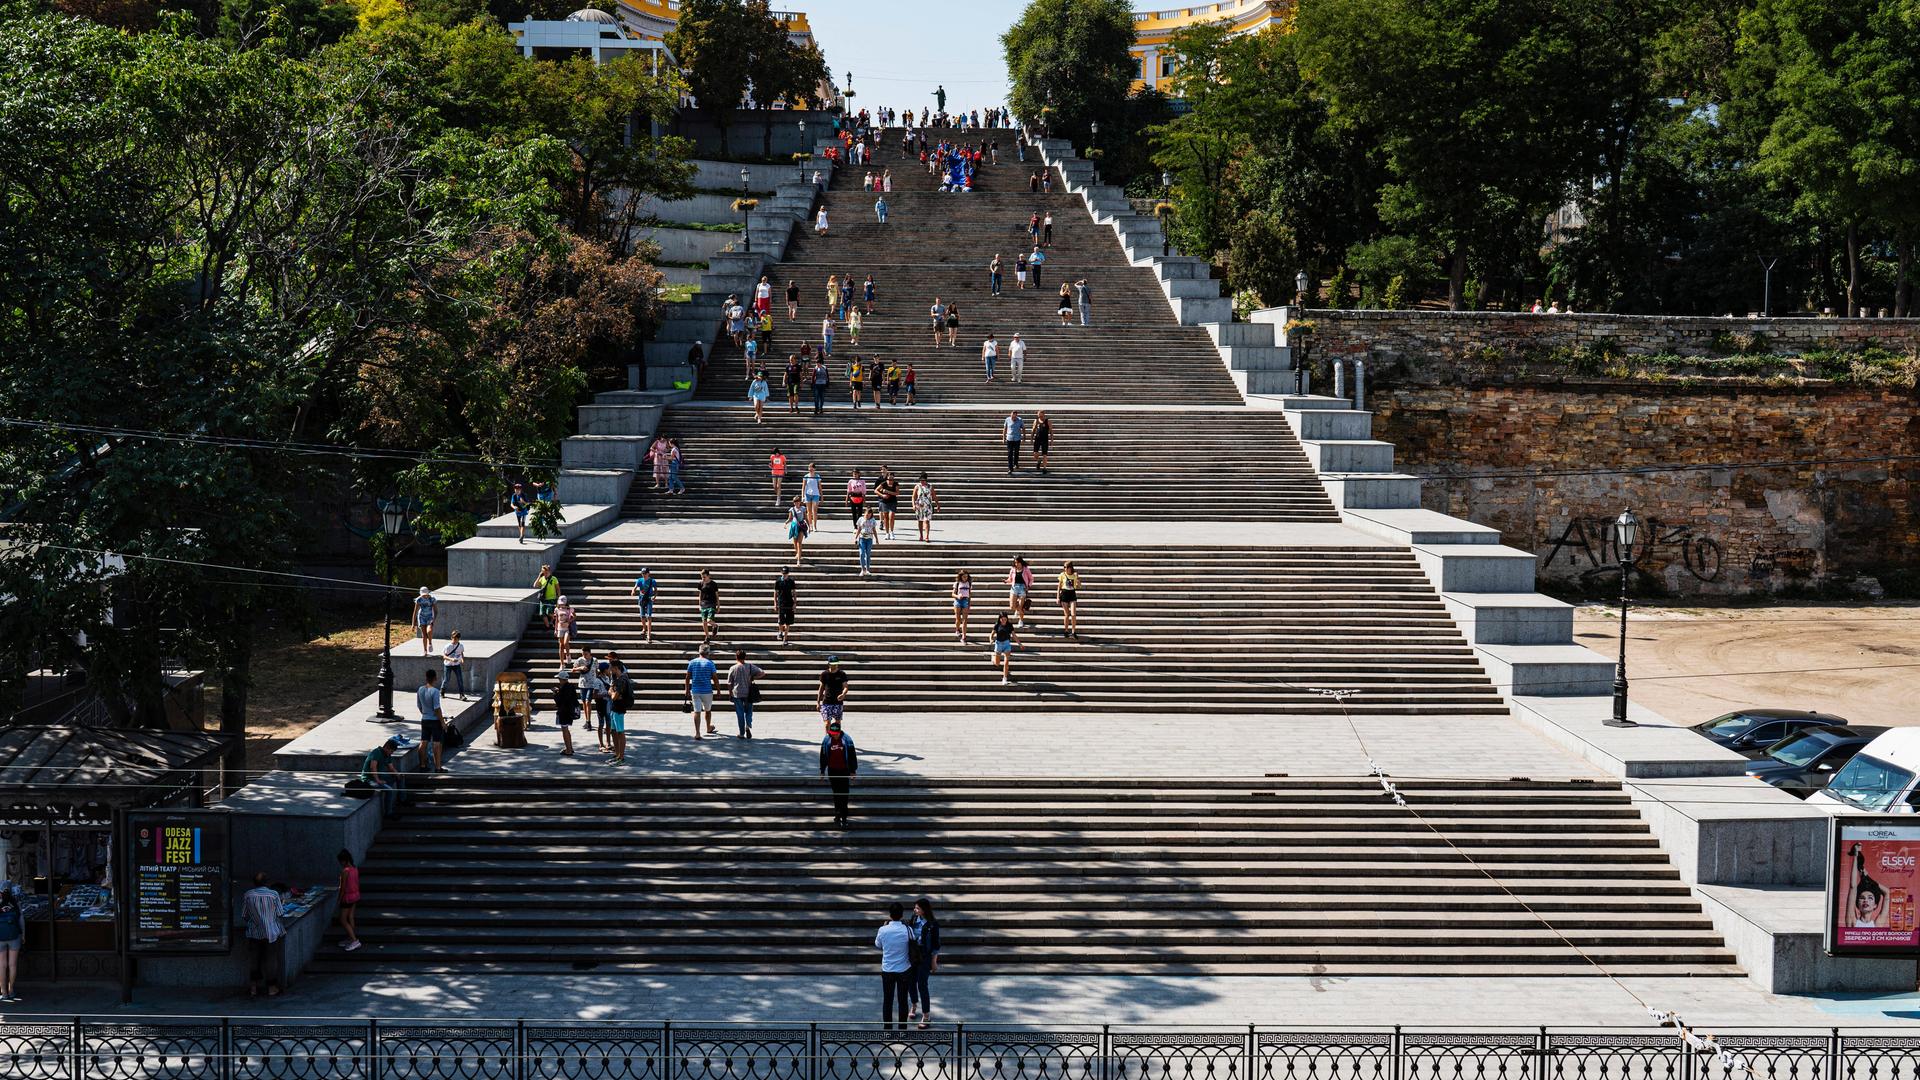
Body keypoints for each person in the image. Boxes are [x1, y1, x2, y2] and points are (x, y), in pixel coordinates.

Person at [241, 872, 285, 998]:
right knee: (271, 959)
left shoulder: (248, 895)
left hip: (254, 932)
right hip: (271, 933)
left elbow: (244, 915)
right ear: (267, 882)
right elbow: (280, 913)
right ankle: (272, 988)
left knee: (254, 959)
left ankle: (253, 988)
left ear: (254, 882)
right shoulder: (273, 894)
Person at [875, 902, 912, 1027]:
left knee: (888, 1000)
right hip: (904, 969)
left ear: (890, 914)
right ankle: (902, 1029)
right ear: (902, 915)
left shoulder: (883, 930)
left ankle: (888, 1030)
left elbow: (878, 945)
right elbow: (913, 943)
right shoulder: (907, 929)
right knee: (903, 1001)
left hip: (888, 969)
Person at [906, 897, 941, 1028]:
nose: (915, 910)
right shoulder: (914, 919)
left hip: (925, 956)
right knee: (911, 981)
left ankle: (926, 1015)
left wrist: (934, 962)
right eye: (915, 908)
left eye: (917, 908)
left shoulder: (932, 924)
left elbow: (936, 945)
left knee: (922, 984)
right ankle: (914, 1004)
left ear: (924, 910)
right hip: (913, 954)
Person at [822, 717, 858, 826]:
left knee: (844, 794)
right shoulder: (827, 739)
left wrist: (852, 771)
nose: (834, 735)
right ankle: (837, 815)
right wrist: (822, 770)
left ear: (839, 732)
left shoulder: (847, 740)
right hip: (832, 771)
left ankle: (844, 816)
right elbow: (823, 755)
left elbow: (852, 756)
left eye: (835, 734)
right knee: (836, 794)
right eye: (832, 733)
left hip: (844, 771)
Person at [359, 736, 403, 815]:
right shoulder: (376, 753)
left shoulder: (387, 755)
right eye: (391, 751)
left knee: (400, 777)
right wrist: (378, 781)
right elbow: (373, 767)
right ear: (387, 748)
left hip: (380, 776)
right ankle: (388, 813)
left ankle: (402, 800)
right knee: (389, 790)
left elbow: (391, 768)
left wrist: (398, 775)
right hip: (369, 779)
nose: (391, 753)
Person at [727, 648, 765, 739]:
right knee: (749, 711)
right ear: (745, 657)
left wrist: (730, 693)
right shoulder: (750, 666)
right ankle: (748, 725)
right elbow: (762, 673)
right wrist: (753, 677)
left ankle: (741, 733)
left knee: (739, 713)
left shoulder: (733, 668)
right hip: (748, 693)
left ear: (736, 657)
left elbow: (729, 683)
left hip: (737, 693)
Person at [685, 643, 718, 740]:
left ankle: (697, 733)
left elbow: (687, 677)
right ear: (708, 653)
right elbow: (715, 678)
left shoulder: (692, 662)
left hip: (695, 690)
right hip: (707, 691)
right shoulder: (710, 663)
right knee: (707, 710)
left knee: (697, 711)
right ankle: (708, 727)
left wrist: (687, 689)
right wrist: (718, 690)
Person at [416, 669, 446, 774]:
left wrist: (425, 713)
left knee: (423, 742)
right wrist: (442, 722)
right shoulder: (435, 691)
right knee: (436, 743)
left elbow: (419, 706)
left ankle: (422, 766)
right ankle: (438, 767)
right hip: (434, 721)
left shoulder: (420, 689)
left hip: (424, 719)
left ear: (426, 677)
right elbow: (437, 708)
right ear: (435, 678)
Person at [605, 656, 632, 764]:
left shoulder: (622, 680)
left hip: (619, 709)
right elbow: (610, 691)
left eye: (611, 668)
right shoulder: (616, 679)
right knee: (613, 731)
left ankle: (621, 757)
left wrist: (612, 692)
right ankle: (617, 754)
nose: (610, 670)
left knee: (620, 732)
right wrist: (611, 692)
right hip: (614, 708)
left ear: (616, 668)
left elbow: (613, 696)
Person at [336, 850, 362, 952]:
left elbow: (342, 888)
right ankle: (351, 938)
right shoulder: (354, 869)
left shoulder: (345, 871)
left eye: (340, 861)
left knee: (342, 919)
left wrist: (339, 900)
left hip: (347, 898)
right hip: (355, 895)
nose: (340, 863)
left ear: (344, 860)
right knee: (350, 916)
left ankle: (354, 940)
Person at [0, 878, 21, 1002]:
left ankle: (4, 993)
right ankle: (11, 990)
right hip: (14, 935)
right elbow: (21, 919)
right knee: (12, 964)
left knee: (2, 965)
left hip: (0, 937)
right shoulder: (15, 901)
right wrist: (23, 935)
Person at [817, 655, 849, 731]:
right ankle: (828, 738)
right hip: (827, 702)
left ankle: (836, 738)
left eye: (836, 664)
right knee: (827, 723)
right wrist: (818, 702)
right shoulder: (824, 674)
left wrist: (843, 694)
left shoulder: (842, 674)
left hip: (838, 702)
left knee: (837, 723)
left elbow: (846, 687)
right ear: (829, 664)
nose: (834, 665)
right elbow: (821, 688)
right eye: (832, 664)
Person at [553, 669, 578, 756]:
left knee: (565, 730)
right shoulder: (571, 687)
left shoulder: (563, 689)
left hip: (564, 712)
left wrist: (556, 693)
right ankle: (569, 747)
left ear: (563, 679)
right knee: (566, 729)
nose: (559, 681)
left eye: (559, 679)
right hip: (569, 711)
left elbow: (559, 701)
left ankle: (569, 750)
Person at [912, 472, 941, 543]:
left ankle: (927, 536)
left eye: (923, 480)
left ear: (926, 480)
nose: (921, 481)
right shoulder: (917, 486)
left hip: (927, 506)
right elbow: (913, 496)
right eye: (921, 480)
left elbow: (934, 496)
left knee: (926, 521)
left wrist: (938, 505)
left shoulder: (930, 486)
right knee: (920, 521)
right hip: (919, 506)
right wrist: (913, 505)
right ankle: (921, 535)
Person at [631, 567, 657, 644]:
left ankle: (649, 635)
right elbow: (635, 587)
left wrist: (654, 597)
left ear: (648, 573)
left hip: (649, 599)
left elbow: (655, 590)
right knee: (642, 616)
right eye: (642, 573)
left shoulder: (652, 581)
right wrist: (633, 591)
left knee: (649, 617)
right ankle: (644, 628)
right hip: (642, 599)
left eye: (645, 573)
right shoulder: (639, 580)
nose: (643, 575)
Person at [1008, 556, 1035, 628]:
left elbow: (1031, 579)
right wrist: (1006, 581)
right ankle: (1017, 610)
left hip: (1023, 588)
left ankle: (1021, 621)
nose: (1016, 564)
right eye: (1015, 562)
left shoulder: (1026, 569)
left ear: (1021, 562)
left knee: (1020, 607)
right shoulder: (1013, 569)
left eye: (1017, 562)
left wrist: (1028, 586)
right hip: (1014, 588)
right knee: (1012, 607)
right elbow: (1010, 579)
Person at [1057, 560, 1081, 637]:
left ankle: (1073, 631)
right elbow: (1058, 587)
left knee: (1073, 614)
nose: (1065, 569)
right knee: (1067, 615)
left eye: (1066, 567)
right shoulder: (1062, 575)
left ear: (1070, 568)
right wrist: (1057, 597)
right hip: (1064, 594)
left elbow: (1079, 586)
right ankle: (1066, 630)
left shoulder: (1075, 575)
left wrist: (1078, 581)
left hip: (1072, 594)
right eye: (1064, 567)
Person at [991, 612, 1016, 685]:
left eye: (1005, 619)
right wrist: (990, 639)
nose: (1004, 621)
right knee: (997, 663)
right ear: (1000, 619)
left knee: (1006, 662)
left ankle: (1004, 678)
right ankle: (993, 657)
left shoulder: (1009, 625)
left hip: (1006, 644)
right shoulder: (997, 624)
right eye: (1002, 619)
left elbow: (1014, 635)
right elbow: (991, 634)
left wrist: (1020, 644)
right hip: (998, 644)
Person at [774, 566, 798, 641]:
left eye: (786, 573)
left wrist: (794, 603)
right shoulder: (778, 581)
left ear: (788, 573)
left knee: (788, 622)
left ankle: (785, 638)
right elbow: (775, 593)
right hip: (781, 603)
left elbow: (794, 593)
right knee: (781, 621)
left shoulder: (791, 581)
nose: (785, 575)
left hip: (789, 603)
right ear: (781, 573)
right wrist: (775, 603)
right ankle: (780, 631)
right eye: (784, 573)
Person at [441, 631, 467, 700]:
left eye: (456, 639)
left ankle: (462, 695)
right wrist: (451, 659)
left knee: (460, 679)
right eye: (453, 638)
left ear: (459, 639)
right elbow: (444, 656)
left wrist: (462, 660)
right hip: (448, 665)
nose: (455, 640)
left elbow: (461, 653)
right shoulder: (447, 646)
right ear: (451, 638)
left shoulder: (460, 646)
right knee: (446, 679)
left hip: (457, 665)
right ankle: (442, 691)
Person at [876, 467, 900, 539]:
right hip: (884, 502)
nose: (890, 481)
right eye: (889, 479)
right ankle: (887, 533)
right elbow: (876, 490)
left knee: (891, 516)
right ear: (887, 479)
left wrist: (888, 492)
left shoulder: (896, 484)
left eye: (892, 479)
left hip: (892, 501)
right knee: (886, 517)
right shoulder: (883, 483)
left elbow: (897, 493)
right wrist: (882, 495)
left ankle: (892, 532)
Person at [856, 507, 879, 576]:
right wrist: (856, 537)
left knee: (868, 554)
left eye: (869, 514)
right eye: (867, 513)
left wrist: (877, 539)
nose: (868, 515)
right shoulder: (861, 519)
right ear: (865, 513)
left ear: (871, 514)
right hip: (862, 538)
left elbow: (874, 530)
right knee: (861, 553)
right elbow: (859, 529)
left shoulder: (873, 520)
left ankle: (868, 570)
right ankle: (863, 570)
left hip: (869, 539)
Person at [411, 587, 436, 655]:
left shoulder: (432, 599)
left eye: (426, 594)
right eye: (423, 594)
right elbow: (415, 612)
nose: (425, 596)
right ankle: (425, 651)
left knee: (429, 630)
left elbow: (436, 610)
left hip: (429, 616)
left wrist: (434, 619)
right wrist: (413, 623)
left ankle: (430, 643)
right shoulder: (419, 599)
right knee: (424, 635)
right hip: (421, 617)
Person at [697, 568, 720, 641]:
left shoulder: (713, 584)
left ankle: (715, 626)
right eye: (702, 577)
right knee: (704, 622)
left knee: (709, 620)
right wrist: (699, 604)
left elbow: (717, 595)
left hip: (712, 604)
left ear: (708, 576)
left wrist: (718, 605)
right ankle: (707, 637)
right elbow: (700, 594)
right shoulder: (701, 583)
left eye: (704, 577)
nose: (703, 578)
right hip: (703, 604)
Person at [553, 594, 576, 660]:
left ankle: (568, 655)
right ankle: (562, 663)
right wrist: (555, 630)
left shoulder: (569, 609)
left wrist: (570, 620)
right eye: (560, 603)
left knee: (566, 642)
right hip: (560, 628)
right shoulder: (557, 609)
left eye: (563, 603)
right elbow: (556, 620)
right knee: (561, 645)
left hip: (567, 628)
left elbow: (575, 616)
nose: (562, 605)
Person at [846, 468, 869, 534]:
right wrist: (846, 500)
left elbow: (864, 491)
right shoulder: (850, 481)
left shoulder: (862, 481)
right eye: (853, 473)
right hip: (853, 497)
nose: (855, 474)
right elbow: (848, 491)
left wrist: (864, 500)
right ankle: (855, 527)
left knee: (860, 513)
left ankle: (859, 527)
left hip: (860, 497)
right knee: (854, 513)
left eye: (856, 473)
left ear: (859, 474)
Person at [952, 570, 973, 642]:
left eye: (966, 577)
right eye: (964, 577)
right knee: (958, 619)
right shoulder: (957, 583)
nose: (965, 578)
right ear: (961, 576)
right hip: (958, 601)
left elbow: (970, 594)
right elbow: (952, 594)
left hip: (965, 601)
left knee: (965, 620)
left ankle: (964, 636)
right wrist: (958, 596)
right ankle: (957, 629)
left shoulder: (969, 583)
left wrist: (969, 604)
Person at [803, 463, 822, 530]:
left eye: (811, 467)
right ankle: (810, 525)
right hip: (808, 494)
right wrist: (803, 496)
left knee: (814, 511)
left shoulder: (817, 476)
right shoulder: (806, 476)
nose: (810, 469)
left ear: (814, 468)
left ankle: (815, 526)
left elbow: (819, 486)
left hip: (816, 494)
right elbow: (803, 487)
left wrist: (821, 495)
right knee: (809, 511)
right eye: (809, 467)